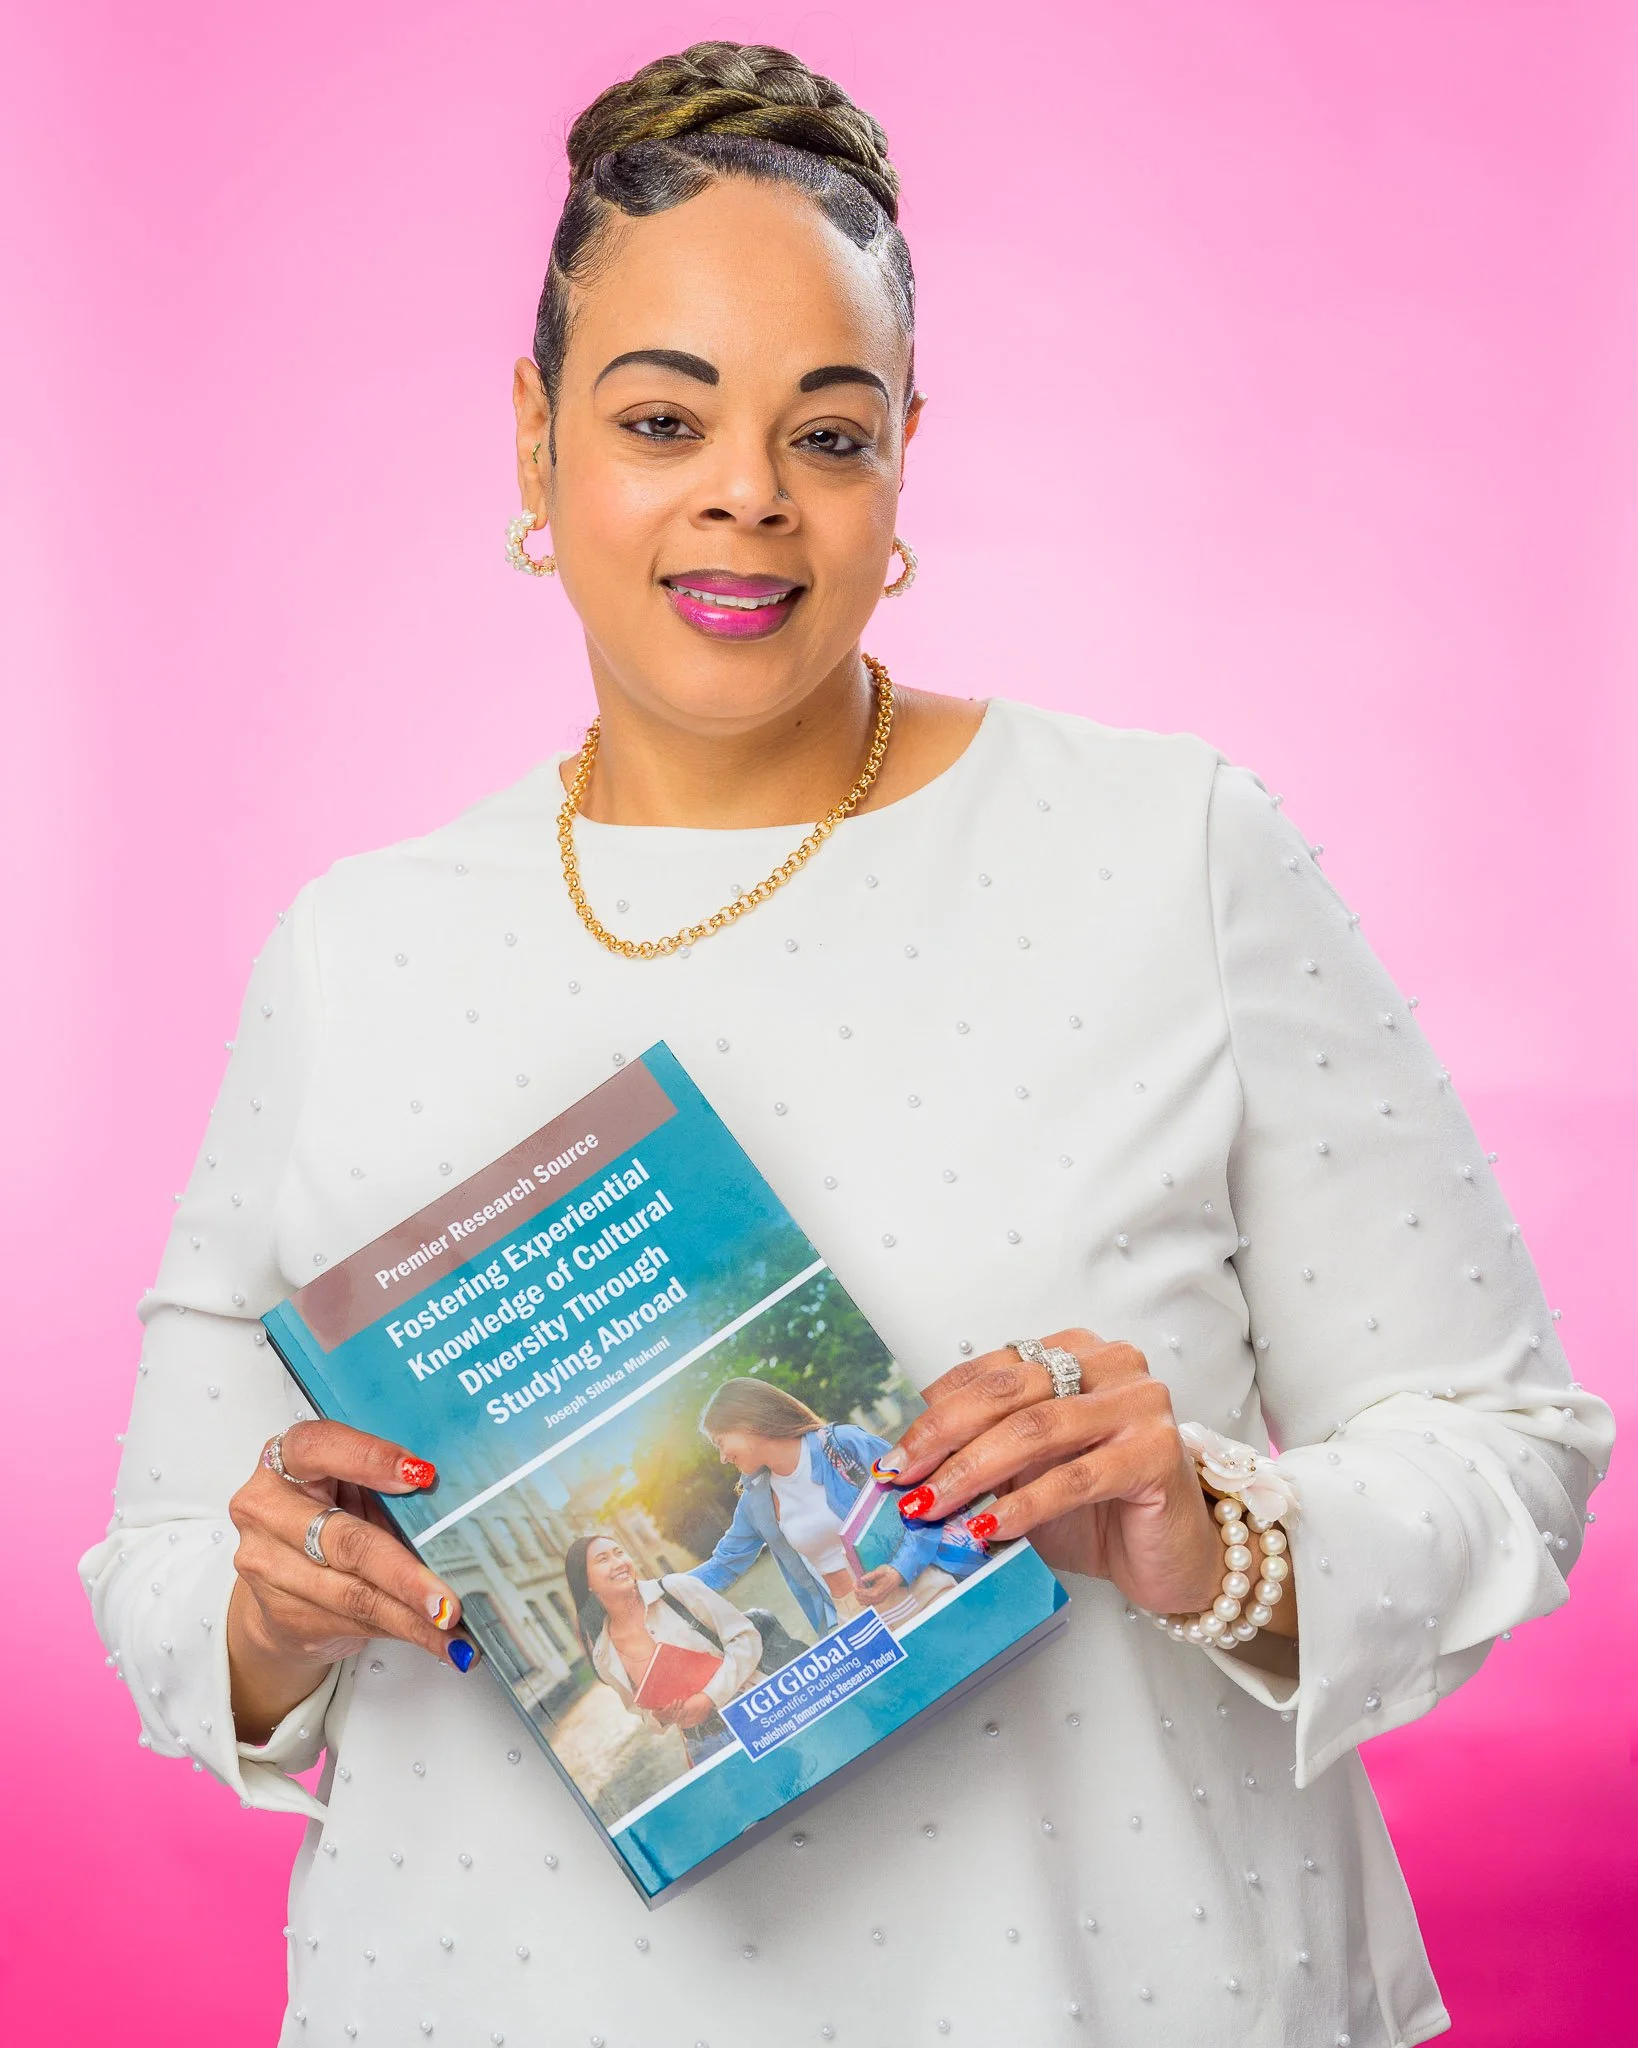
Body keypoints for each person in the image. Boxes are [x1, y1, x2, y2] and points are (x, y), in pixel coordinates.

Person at [77, 39, 1612, 2048]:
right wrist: (269, 1608)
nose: (748, 492)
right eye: (661, 415)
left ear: (905, 466)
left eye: (831, 429)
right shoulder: (358, 953)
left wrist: (1216, 1528)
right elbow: (167, 1578)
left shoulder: (1169, 853)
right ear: (536, 448)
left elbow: (1513, 1450)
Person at [693, 1376, 952, 1629]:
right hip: (852, 1619)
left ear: (746, 1424)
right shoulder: (756, 1501)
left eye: (720, 1442)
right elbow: (723, 1564)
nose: (723, 1457)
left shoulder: (844, 1444)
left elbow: (922, 1500)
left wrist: (899, 1570)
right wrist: (656, 1592)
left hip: (916, 1589)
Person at [563, 1533, 761, 1766]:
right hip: (706, 1746)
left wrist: (708, 1697)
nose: (618, 1563)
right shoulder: (603, 1656)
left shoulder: (676, 1589)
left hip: (753, 1710)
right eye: (603, 1559)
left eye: (619, 1553)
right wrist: (660, 1717)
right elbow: (643, 1713)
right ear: (586, 1582)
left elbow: (745, 1637)